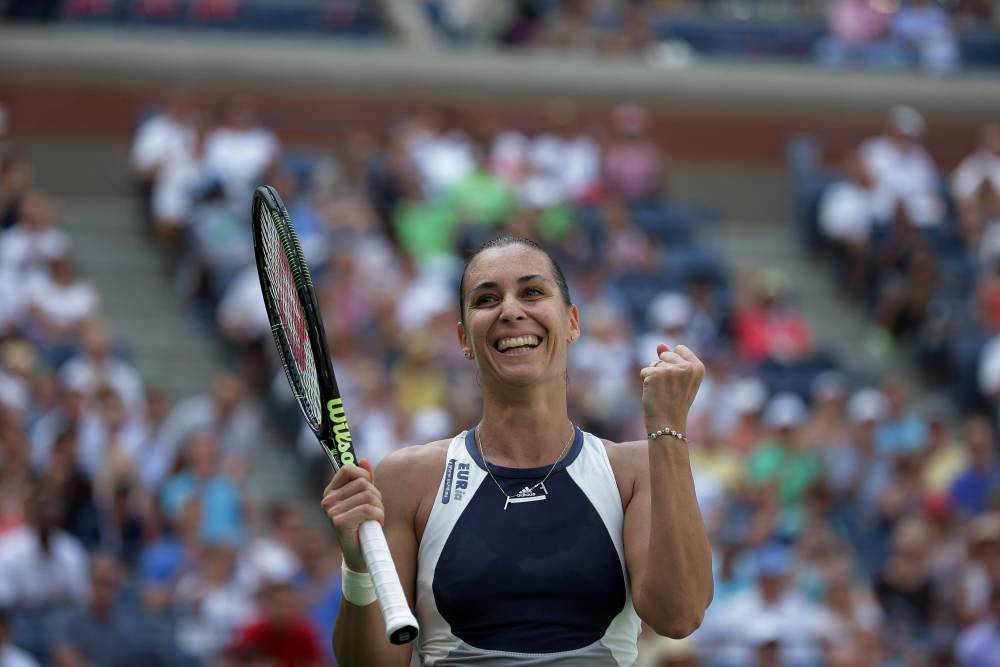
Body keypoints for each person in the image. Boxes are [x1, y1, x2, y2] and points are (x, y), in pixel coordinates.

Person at [322, 236, 713, 665]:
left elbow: (679, 614)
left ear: (572, 323)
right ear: (464, 338)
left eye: (532, 292)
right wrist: (358, 568)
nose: (510, 310)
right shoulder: (408, 478)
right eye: (487, 299)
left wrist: (668, 428)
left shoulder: (634, 469)